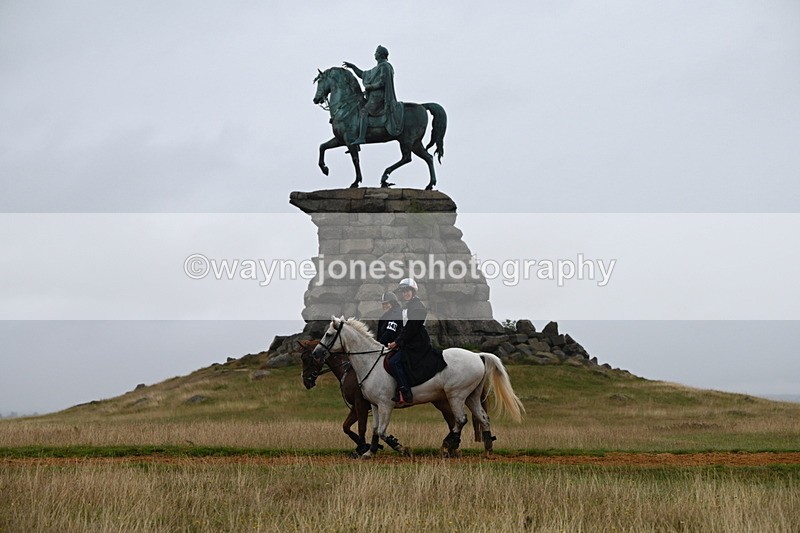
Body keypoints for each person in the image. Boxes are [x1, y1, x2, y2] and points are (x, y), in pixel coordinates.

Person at [386, 278, 435, 404]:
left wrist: (397, 342)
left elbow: (411, 329)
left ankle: (405, 391)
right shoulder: (407, 307)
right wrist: (396, 340)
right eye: (403, 292)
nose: (405, 294)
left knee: (394, 362)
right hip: (409, 341)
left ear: (413, 292)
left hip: (417, 342)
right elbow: (404, 328)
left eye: (407, 291)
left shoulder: (418, 307)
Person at [342, 45, 403, 144]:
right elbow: (363, 74)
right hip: (373, 97)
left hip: (379, 97)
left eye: (376, 52)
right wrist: (353, 67)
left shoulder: (385, 66)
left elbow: (382, 82)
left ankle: (362, 137)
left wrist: (370, 87)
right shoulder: (377, 68)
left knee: (363, 111)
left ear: (380, 55)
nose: (374, 54)